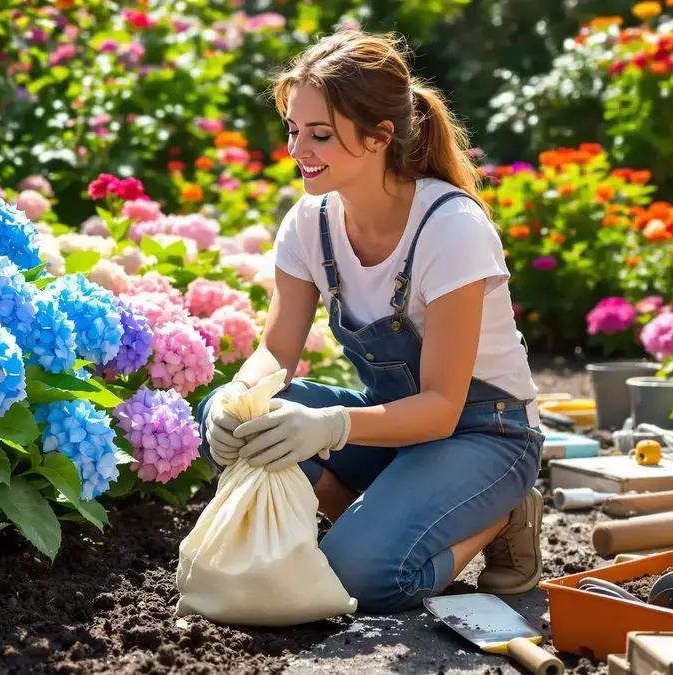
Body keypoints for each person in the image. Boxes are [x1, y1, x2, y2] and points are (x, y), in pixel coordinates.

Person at [195, 27, 545, 614]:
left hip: (486, 434)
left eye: (321, 135)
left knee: (362, 580)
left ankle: (501, 514)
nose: (298, 149)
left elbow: (440, 406)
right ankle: (385, 518)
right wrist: (234, 397)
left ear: (381, 135)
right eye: (294, 130)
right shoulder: (310, 223)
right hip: (393, 431)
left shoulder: (450, 228)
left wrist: (330, 427)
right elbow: (275, 355)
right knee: (244, 425)